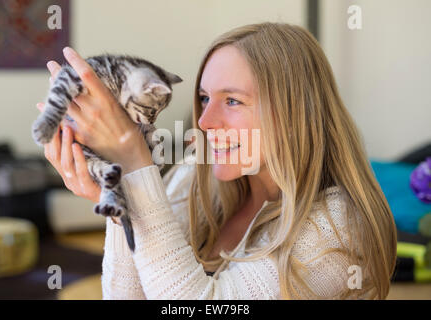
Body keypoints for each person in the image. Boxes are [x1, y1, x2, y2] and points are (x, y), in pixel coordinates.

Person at [37, 22, 397, 299]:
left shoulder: (337, 228)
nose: (205, 122)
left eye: (233, 101)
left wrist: (134, 162)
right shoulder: (195, 175)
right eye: (205, 98)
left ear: (294, 114)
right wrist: (122, 197)